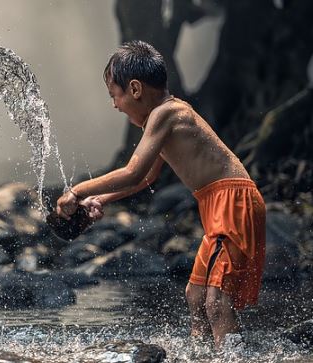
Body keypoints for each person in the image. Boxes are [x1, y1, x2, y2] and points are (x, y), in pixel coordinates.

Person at [56, 41, 265, 349]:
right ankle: (202, 354)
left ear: (136, 89)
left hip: (233, 203)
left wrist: (77, 191)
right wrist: (102, 199)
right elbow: (146, 178)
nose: (114, 105)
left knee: (217, 301)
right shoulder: (164, 117)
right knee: (196, 296)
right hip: (219, 204)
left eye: (115, 95)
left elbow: (132, 172)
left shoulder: (167, 113)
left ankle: (232, 358)